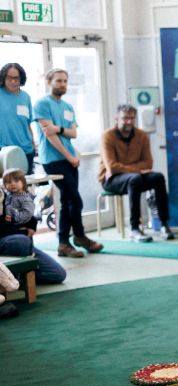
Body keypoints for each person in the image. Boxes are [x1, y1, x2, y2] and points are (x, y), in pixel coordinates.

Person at [34, 68, 103, 258]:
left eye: (65, 81)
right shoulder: (42, 104)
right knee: (75, 200)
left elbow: (73, 133)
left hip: (70, 159)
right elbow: (50, 135)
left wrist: (59, 128)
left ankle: (64, 243)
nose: (62, 84)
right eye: (58, 81)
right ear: (49, 82)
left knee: (67, 201)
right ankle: (79, 236)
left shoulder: (68, 107)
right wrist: (69, 156)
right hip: (53, 160)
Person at [99, 104, 175, 242]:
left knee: (158, 177)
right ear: (117, 118)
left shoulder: (141, 135)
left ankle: (164, 224)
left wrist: (130, 169)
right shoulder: (107, 136)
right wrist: (138, 169)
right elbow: (112, 166)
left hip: (136, 177)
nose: (128, 121)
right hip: (111, 179)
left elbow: (148, 163)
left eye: (132, 118)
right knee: (135, 179)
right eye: (125, 118)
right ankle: (134, 229)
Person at [0, 188, 66, 285]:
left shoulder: (5, 195)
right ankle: (13, 280)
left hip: (19, 243)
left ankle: (18, 277)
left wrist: (31, 226)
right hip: (12, 242)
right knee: (21, 241)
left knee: (57, 274)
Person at [0, 63, 36, 175]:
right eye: (9, 78)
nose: (13, 81)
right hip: (3, 150)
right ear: (3, 78)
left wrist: (33, 143)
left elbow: (27, 123)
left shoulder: (26, 97)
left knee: (25, 185)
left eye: (16, 78)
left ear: (21, 79)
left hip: (26, 150)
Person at [3, 169, 36, 235]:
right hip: (10, 223)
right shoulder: (8, 194)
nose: (12, 184)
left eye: (16, 181)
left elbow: (28, 213)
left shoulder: (25, 198)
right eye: (9, 182)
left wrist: (13, 217)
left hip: (21, 223)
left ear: (23, 182)